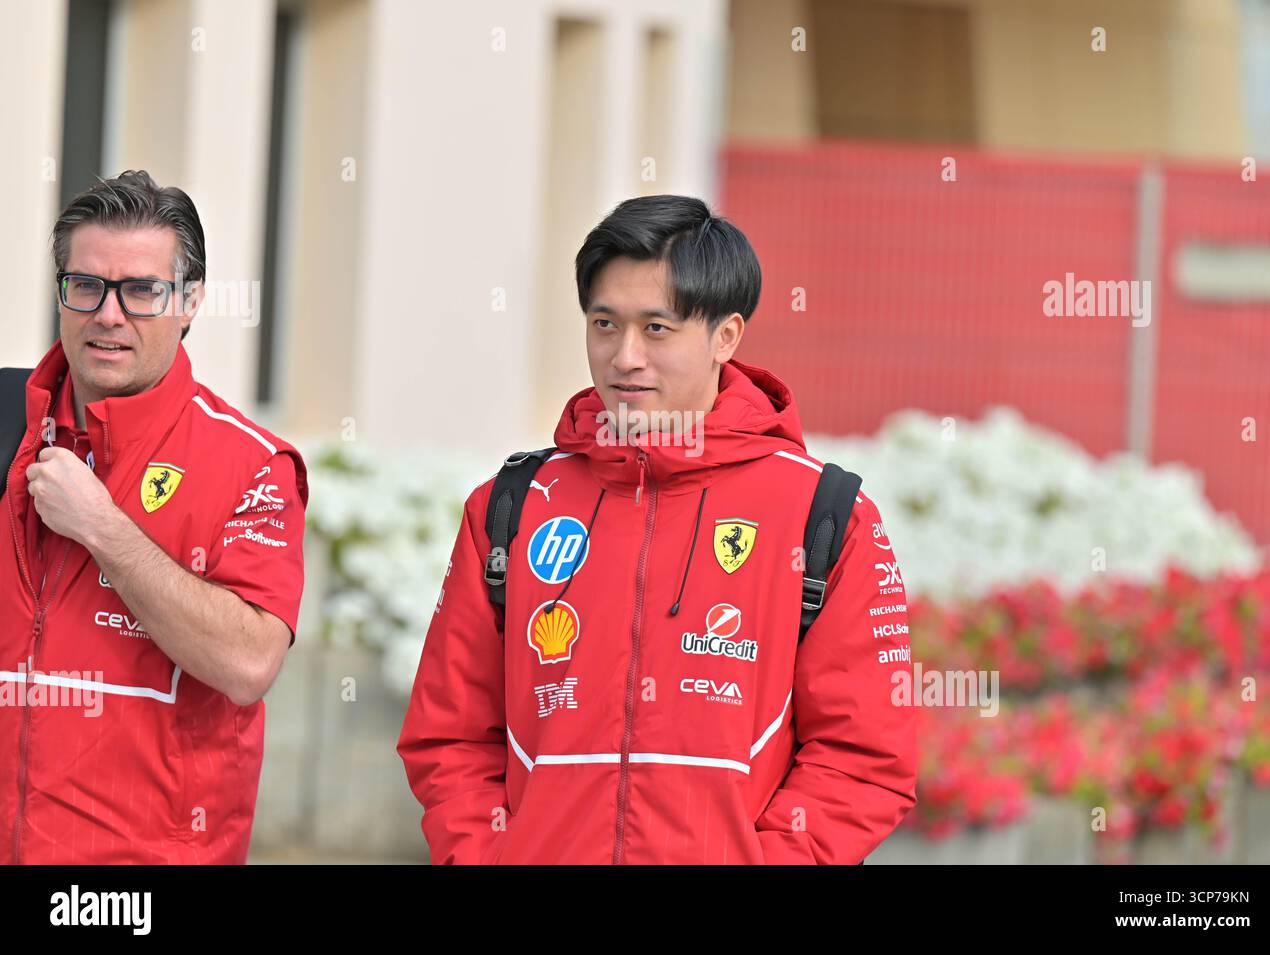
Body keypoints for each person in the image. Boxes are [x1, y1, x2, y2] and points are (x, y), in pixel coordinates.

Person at [397, 195, 916, 864]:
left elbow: (863, 755)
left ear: (726, 336)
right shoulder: (512, 505)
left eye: (657, 328)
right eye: (604, 324)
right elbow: (450, 737)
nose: (625, 356)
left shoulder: (825, 514)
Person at [0, 170, 308, 863]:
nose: (108, 315)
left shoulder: (252, 463)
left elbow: (248, 661)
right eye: (86, 286)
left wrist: (103, 527)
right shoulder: (8, 423)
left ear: (190, 301)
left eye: (141, 291)